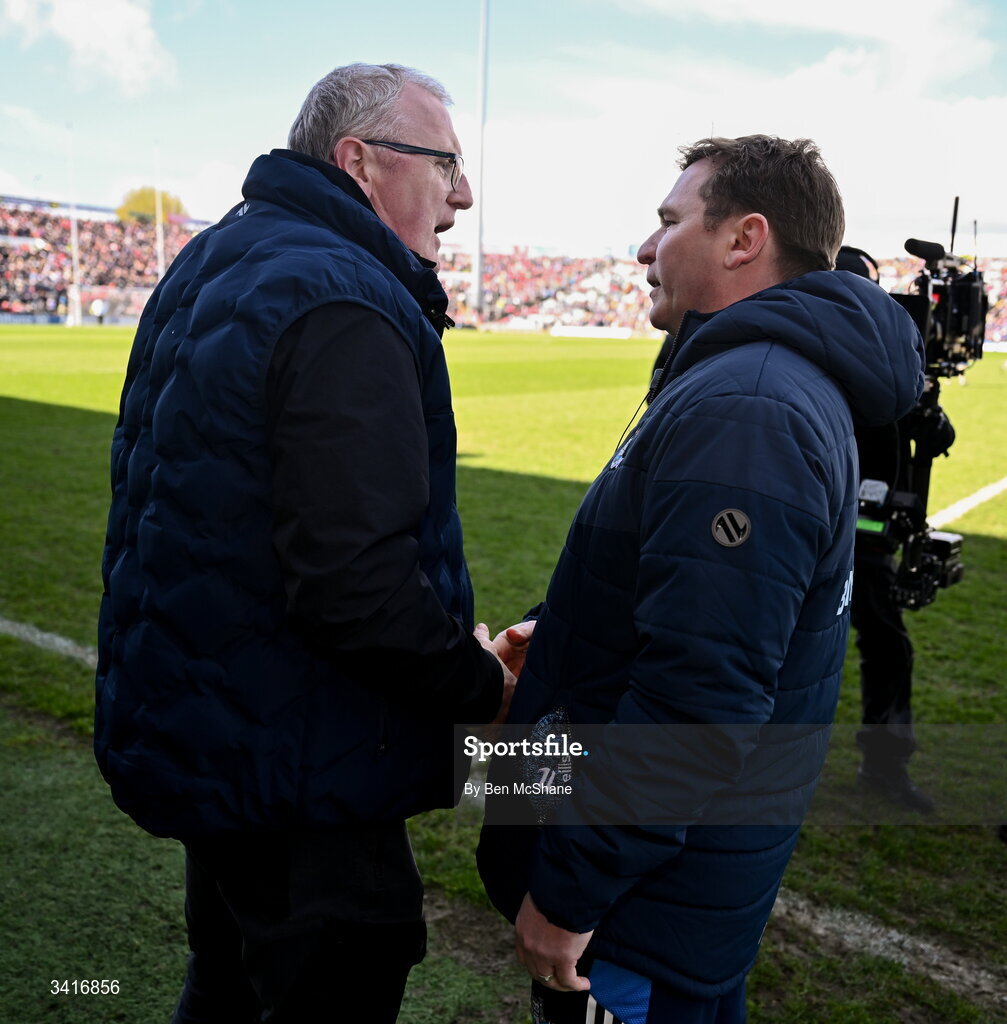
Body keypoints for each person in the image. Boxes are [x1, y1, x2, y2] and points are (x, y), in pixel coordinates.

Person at [94, 62, 515, 1023]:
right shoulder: (341, 295)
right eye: (444, 162)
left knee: (230, 984)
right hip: (302, 763)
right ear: (358, 161)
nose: (463, 193)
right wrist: (478, 684)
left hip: (226, 733)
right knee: (320, 981)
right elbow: (352, 583)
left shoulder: (224, 255)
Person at [478, 135, 925, 1023]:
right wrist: (557, 632)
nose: (645, 249)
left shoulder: (747, 405)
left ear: (742, 238)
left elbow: (700, 697)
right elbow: (683, 618)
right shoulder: (741, 381)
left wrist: (569, 896)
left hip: (639, 915)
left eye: (668, 221)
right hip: (667, 894)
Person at [835, 245, 953, 814]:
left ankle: (882, 765)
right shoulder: (846, 359)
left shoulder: (881, 361)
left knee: (887, 647)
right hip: (843, 532)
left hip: (867, 530)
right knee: (884, 647)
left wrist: (928, 409)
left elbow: (926, 434)